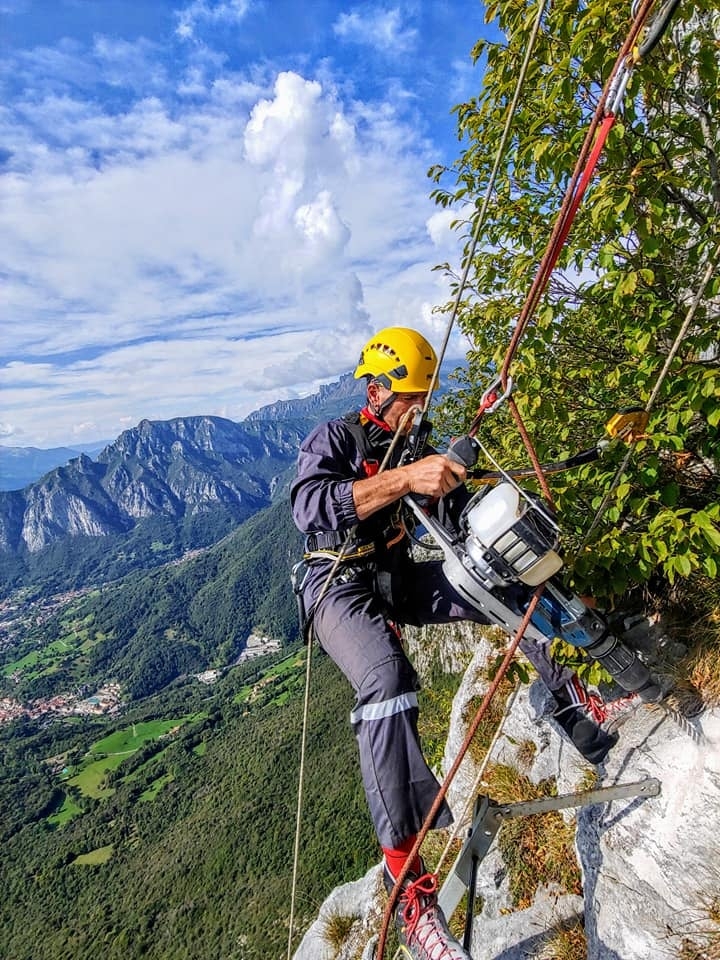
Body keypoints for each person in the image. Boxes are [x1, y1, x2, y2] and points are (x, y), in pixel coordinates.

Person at [290, 326, 646, 960]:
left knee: (500, 581)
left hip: (395, 575)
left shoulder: (413, 440)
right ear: (376, 389)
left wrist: (461, 498)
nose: (418, 410)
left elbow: (447, 518)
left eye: (424, 397)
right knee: (387, 682)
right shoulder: (336, 438)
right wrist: (404, 479)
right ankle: (412, 896)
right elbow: (311, 508)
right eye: (409, 397)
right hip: (336, 581)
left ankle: (579, 713)